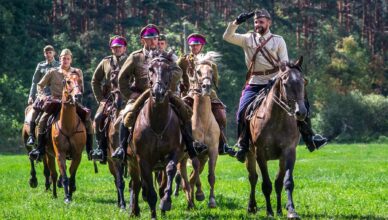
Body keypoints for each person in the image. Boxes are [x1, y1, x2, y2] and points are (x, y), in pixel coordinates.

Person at [223, 9, 327, 163]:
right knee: (241, 113)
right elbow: (227, 37)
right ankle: (242, 145)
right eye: (256, 22)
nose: (258, 24)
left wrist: (277, 80)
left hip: (275, 82)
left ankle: (310, 137)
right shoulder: (247, 39)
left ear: (269, 22)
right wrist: (236, 23)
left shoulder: (278, 40)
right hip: (255, 82)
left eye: (261, 22)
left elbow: (284, 65)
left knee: (301, 104)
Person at [111, 24, 206, 161]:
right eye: (149, 39)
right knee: (125, 116)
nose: (153, 41)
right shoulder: (135, 57)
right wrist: (130, 95)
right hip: (141, 94)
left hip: (165, 93)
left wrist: (164, 82)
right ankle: (122, 148)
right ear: (142, 40)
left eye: (155, 38)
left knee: (185, 112)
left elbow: (178, 71)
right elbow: (122, 78)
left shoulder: (166, 55)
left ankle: (191, 145)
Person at [29, 49, 94, 161]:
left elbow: (81, 88)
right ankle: (39, 149)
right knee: (42, 121)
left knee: (88, 120)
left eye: (68, 58)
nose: (66, 60)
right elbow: (40, 85)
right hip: (55, 101)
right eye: (63, 58)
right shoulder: (52, 72)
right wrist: (42, 96)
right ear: (60, 59)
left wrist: (77, 93)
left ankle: (90, 150)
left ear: (71, 60)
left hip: (72, 102)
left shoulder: (77, 72)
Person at [177, 33, 233, 155]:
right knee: (178, 113)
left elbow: (216, 81)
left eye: (197, 45)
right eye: (192, 45)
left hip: (207, 93)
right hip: (188, 93)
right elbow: (176, 74)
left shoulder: (210, 63)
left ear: (202, 46)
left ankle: (222, 142)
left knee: (220, 114)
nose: (194, 48)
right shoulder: (183, 60)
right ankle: (178, 141)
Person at [90, 35, 128, 164]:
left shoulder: (131, 60)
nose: (117, 49)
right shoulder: (105, 62)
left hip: (127, 98)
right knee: (98, 118)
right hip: (109, 99)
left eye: (119, 47)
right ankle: (101, 149)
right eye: (114, 47)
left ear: (125, 48)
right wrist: (100, 99)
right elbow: (95, 81)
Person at [26, 45, 60, 146]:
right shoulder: (40, 66)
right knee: (35, 112)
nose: (48, 54)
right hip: (42, 95)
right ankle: (32, 136)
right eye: (46, 53)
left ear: (54, 53)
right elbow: (35, 82)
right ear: (44, 54)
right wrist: (31, 96)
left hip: (55, 95)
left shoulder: (59, 65)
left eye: (50, 52)